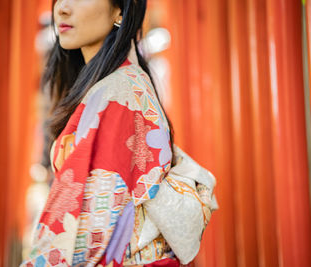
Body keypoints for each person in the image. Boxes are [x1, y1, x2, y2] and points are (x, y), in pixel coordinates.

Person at [20, 0, 217, 266]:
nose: (62, 8)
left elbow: (85, 229)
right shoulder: (118, 82)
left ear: (121, 10)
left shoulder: (117, 93)